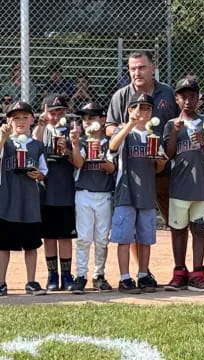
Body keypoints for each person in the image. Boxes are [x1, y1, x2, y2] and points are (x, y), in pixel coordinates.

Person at [106, 50, 179, 282]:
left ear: (153, 68)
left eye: (141, 67)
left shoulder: (166, 92)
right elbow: (109, 129)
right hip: (132, 169)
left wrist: (160, 147)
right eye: (132, 68)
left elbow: (179, 122)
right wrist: (130, 129)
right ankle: (140, 272)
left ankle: (180, 270)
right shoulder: (122, 96)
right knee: (132, 225)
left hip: (162, 167)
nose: (137, 72)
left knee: (174, 220)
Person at [163, 78, 204, 292]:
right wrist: (173, 132)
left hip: (200, 187)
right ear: (177, 99)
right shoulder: (172, 124)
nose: (188, 100)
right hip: (179, 185)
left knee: (198, 229)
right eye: (183, 96)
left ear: (198, 98)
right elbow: (169, 154)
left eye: (192, 96)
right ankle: (179, 271)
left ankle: (198, 272)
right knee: (178, 230)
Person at [109, 93, 168, 294]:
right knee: (124, 238)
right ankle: (124, 277)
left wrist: (161, 163)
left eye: (146, 108)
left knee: (145, 238)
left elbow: (156, 168)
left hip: (147, 192)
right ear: (129, 110)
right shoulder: (124, 132)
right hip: (126, 191)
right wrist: (129, 125)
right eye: (137, 107)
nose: (142, 112)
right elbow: (112, 146)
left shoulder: (153, 136)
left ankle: (143, 274)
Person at [0, 101, 48, 296]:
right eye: (16, 118)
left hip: (29, 202)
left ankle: (31, 281)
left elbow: (44, 172)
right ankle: (1, 281)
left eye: (25, 117)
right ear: (8, 121)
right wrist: (2, 136)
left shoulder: (37, 145)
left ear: (32, 119)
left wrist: (38, 174)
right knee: (4, 244)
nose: (20, 121)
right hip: (8, 201)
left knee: (31, 245)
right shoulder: (5, 142)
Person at [32, 95, 76, 291]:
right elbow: (34, 144)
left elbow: (77, 160)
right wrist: (42, 124)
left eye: (60, 111)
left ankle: (67, 275)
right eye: (52, 112)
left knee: (65, 235)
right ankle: (52, 275)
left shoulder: (71, 131)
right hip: (45, 191)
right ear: (45, 112)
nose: (56, 116)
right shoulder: (42, 130)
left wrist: (69, 150)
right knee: (49, 236)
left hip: (65, 188)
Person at [70, 102, 115, 294]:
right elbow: (79, 163)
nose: (88, 121)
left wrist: (101, 158)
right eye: (85, 118)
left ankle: (99, 275)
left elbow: (112, 168)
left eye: (93, 117)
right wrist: (75, 143)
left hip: (103, 195)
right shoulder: (81, 143)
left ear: (103, 120)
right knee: (83, 237)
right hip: (84, 194)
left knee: (102, 238)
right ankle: (81, 275)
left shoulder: (109, 143)